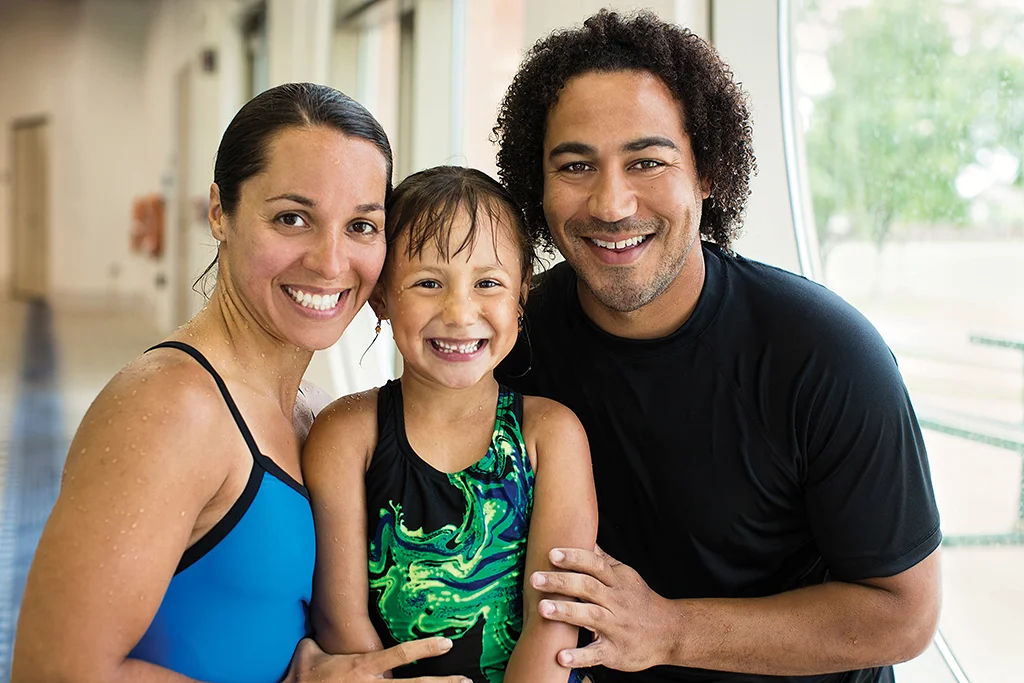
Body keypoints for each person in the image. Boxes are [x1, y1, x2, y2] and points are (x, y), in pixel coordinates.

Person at [491, 10, 942, 683]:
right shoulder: (506, 340)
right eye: (576, 165)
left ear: (706, 172)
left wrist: (669, 630)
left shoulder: (825, 353)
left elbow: (904, 615)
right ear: (539, 185)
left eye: (648, 162)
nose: (611, 203)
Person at [13, 83, 466, 683]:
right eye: (292, 218)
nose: (331, 262)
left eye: (361, 225)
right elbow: (53, 671)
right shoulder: (173, 407)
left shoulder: (315, 412)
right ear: (219, 212)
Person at [303, 166, 598, 682]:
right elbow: (340, 621)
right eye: (428, 283)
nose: (460, 313)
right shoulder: (347, 435)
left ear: (522, 295)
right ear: (381, 297)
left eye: (488, 283)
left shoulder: (550, 436)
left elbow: (553, 622)